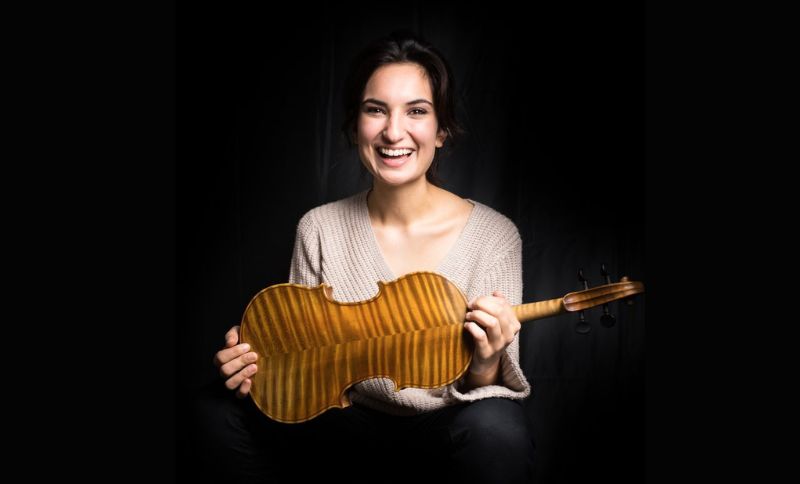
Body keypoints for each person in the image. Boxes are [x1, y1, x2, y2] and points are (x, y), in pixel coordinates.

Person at [195, 31, 535, 483]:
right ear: (356, 125)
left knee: (498, 431)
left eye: (417, 111)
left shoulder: (495, 235)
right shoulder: (318, 227)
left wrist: (487, 363)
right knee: (212, 412)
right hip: (348, 425)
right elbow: (309, 365)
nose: (394, 132)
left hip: (446, 427)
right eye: (376, 109)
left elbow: (485, 394)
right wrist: (259, 365)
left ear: (443, 129)